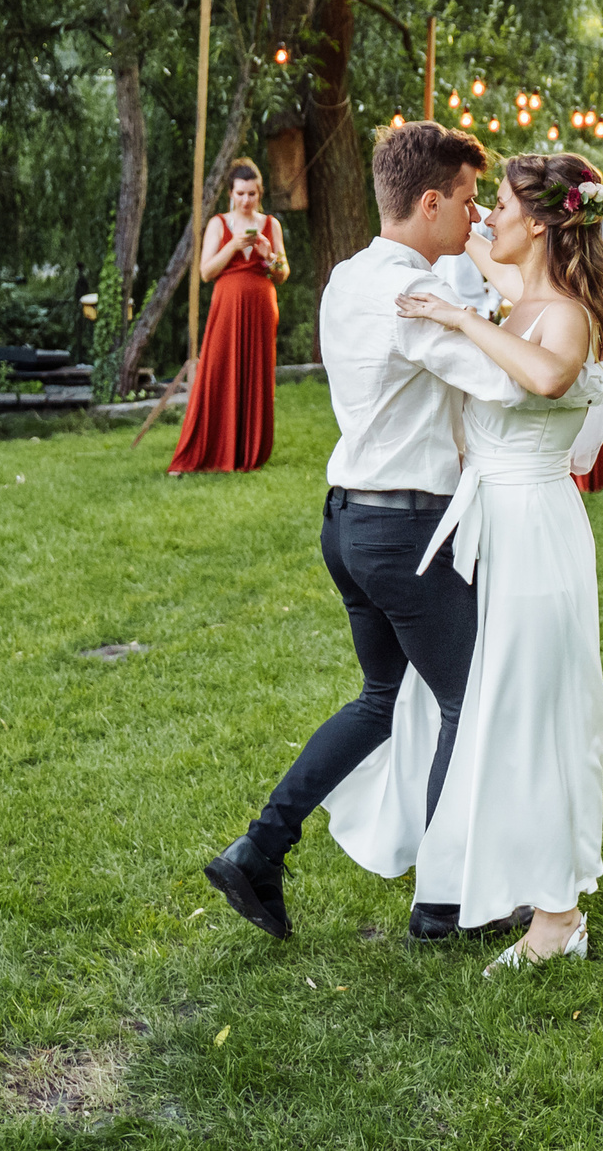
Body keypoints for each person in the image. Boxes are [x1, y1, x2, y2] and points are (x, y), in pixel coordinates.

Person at [202, 122, 493, 946]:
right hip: (403, 529)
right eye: (469, 203)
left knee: (379, 699)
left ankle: (259, 847)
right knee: (464, 704)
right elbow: (495, 377)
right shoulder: (411, 296)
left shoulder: (347, 275)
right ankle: (444, 902)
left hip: (348, 519)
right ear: (430, 202)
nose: (475, 219)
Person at [353, 152, 603, 974]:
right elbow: (483, 258)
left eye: (500, 205)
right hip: (493, 527)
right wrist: (465, 262)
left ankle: (558, 917)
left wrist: (456, 317)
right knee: (498, 708)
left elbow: (548, 377)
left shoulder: (566, 312)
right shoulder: (526, 297)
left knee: (541, 711)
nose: (487, 218)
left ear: (542, 223)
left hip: (536, 529)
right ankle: (514, 884)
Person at [167, 159, 291, 474]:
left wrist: (269, 257)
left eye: (251, 193)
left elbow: (282, 273)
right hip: (227, 308)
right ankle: (209, 450)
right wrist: (234, 246)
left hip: (261, 308)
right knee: (218, 370)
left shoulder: (270, 225)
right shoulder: (219, 224)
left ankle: (249, 451)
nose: (246, 200)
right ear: (231, 194)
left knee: (255, 372)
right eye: (240, 193)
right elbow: (206, 271)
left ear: (259, 193)